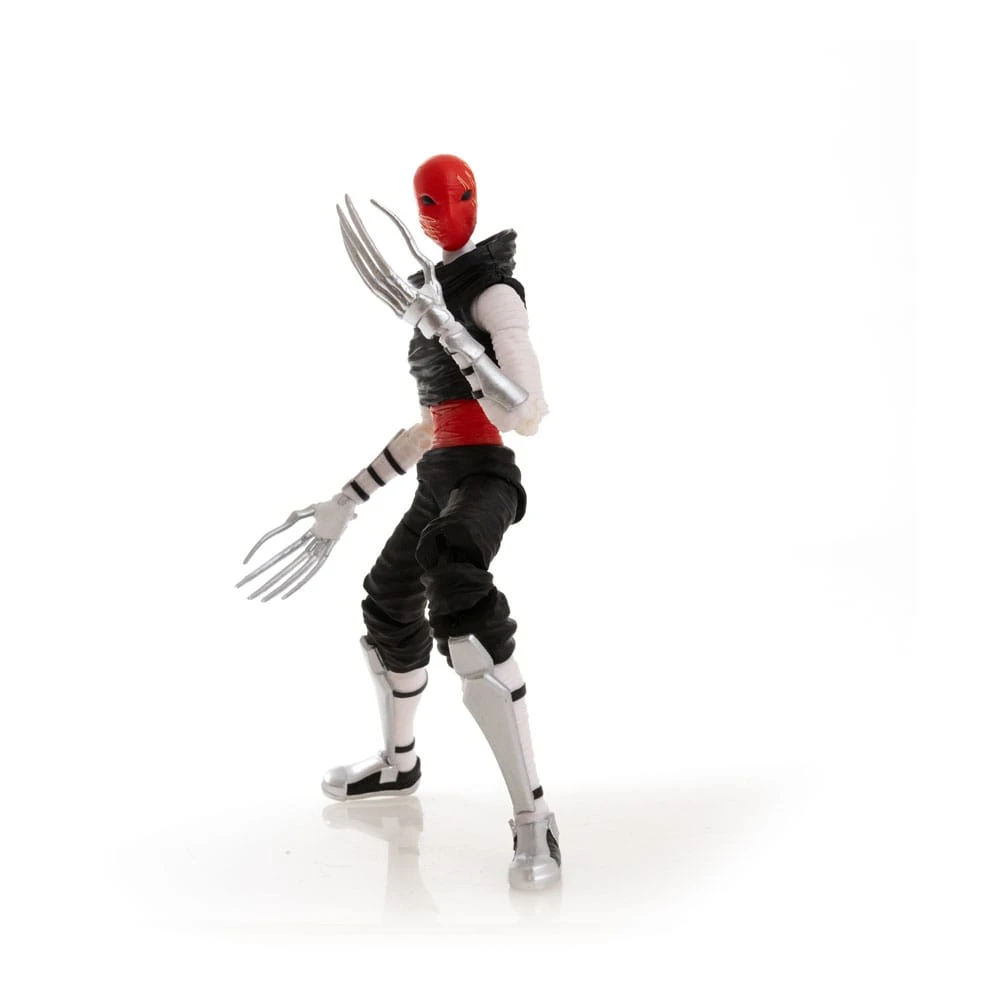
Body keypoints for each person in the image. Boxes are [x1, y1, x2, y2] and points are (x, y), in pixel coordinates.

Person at [238, 155, 560, 890]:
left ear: (474, 199)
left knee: (458, 590)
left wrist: (456, 335)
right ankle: (398, 764)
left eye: (455, 197)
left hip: (483, 477)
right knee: (387, 599)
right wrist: (347, 499)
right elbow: (428, 429)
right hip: (438, 475)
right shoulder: (428, 299)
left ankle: (534, 817)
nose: (441, 213)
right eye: (428, 203)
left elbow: (528, 414)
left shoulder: (493, 295)